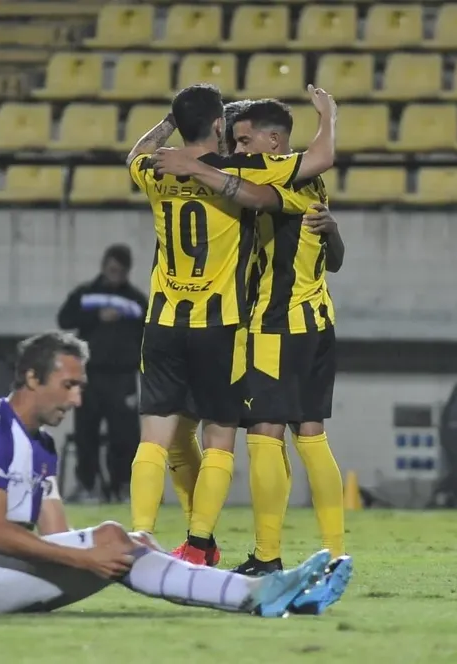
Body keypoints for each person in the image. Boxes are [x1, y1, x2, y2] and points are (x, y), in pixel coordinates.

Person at [0, 331, 350, 616]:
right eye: (68, 386)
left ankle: (265, 594)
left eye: (80, 387)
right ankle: (262, 594)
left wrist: (113, 549)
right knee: (110, 541)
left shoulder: (41, 445)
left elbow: (57, 537)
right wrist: (90, 556)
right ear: (31, 377)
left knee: (122, 542)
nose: (78, 400)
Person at [124, 82, 338, 566]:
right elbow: (318, 161)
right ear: (220, 126)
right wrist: (328, 116)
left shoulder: (155, 170)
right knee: (220, 438)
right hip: (221, 324)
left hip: (162, 321)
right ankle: (200, 543)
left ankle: (141, 534)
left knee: (155, 438)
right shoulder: (241, 169)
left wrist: (167, 128)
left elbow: (135, 154)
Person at [56, 245, 147, 503]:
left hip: (123, 378)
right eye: (111, 268)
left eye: (119, 269)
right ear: (104, 266)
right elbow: (64, 319)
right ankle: (88, 486)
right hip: (89, 376)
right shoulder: (85, 295)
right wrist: (95, 317)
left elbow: (150, 334)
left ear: (127, 271)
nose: (114, 273)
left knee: (125, 435)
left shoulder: (137, 301)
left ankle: (122, 487)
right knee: (86, 433)